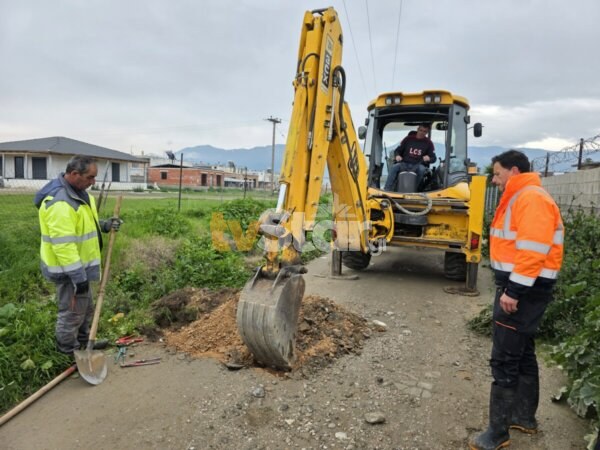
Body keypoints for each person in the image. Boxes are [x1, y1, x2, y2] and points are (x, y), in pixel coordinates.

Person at [469, 150, 564, 450]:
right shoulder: (524, 195)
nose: (494, 180)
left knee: (505, 359)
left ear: (512, 170)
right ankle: (524, 417)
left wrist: (513, 291)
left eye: (497, 174)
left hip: (522, 289)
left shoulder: (529, 198)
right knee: (523, 353)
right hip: (527, 287)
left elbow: (532, 250)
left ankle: (497, 434)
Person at [34, 155, 122, 356]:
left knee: (86, 308)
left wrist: (105, 226)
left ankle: (84, 342)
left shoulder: (80, 194)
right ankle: (68, 352)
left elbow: (84, 226)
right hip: (68, 270)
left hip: (79, 268)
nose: (93, 182)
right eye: (90, 177)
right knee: (72, 313)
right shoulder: (61, 203)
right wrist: (78, 277)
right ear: (74, 174)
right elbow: (63, 245)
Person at [384, 123, 436, 191]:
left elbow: (433, 158)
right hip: (404, 163)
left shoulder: (429, 143)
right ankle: (387, 189)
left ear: (427, 132)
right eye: (421, 130)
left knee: (422, 170)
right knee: (394, 167)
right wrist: (397, 155)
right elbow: (397, 150)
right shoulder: (408, 139)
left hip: (418, 165)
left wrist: (429, 158)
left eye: (424, 131)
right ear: (417, 129)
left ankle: (414, 189)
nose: (422, 133)